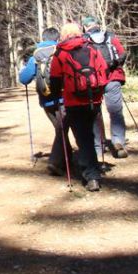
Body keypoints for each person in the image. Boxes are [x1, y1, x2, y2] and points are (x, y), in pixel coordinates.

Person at [49, 21, 109, 191]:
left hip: (74, 101)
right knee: (90, 135)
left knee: (83, 138)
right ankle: (94, 168)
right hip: (94, 100)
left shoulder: (61, 53)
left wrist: (56, 98)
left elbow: (54, 79)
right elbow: (103, 70)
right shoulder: (91, 48)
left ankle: (92, 176)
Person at [18, 26, 74, 177]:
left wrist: (23, 69)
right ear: (58, 38)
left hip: (46, 99)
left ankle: (67, 160)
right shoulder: (62, 51)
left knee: (60, 129)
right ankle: (55, 162)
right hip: (64, 97)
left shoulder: (35, 56)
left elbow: (24, 79)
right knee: (62, 129)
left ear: (43, 38)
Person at [82, 15, 129, 158]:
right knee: (115, 111)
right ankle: (118, 141)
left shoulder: (84, 41)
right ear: (97, 24)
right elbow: (122, 53)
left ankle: (98, 146)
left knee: (96, 114)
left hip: (94, 81)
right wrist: (115, 66)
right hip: (113, 78)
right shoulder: (110, 37)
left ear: (85, 27)